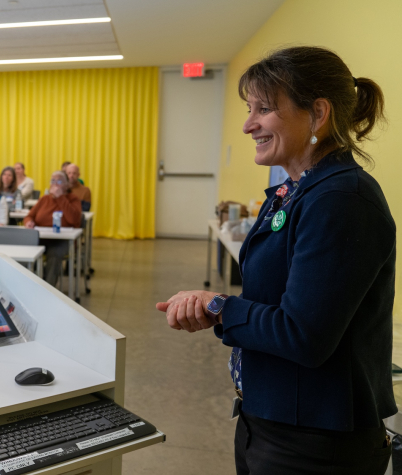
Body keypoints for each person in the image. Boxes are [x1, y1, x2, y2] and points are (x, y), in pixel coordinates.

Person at [156, 46, 394, 474]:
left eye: (263, 109)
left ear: (318, 114)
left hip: (316, 445)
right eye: (250, 109)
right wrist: (218, 312)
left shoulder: (342, 200)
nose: (248, 125)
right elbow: (277, 299)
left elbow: (303, 333)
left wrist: (221, 307)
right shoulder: (298, 190)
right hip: (269, 418)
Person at [24, 171, 81, 285]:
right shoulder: (44, 199)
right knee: (24, 250)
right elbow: (30, 215)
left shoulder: (72, 199)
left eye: (59, 181)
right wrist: (29, 222)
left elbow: (74, 220)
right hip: (41, 237)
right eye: (53, 181)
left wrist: (60, 198)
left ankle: (47, 289)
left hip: (61, 239)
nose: (55, 184)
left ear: (67, 185)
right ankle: (27, 284)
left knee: (54, 255)